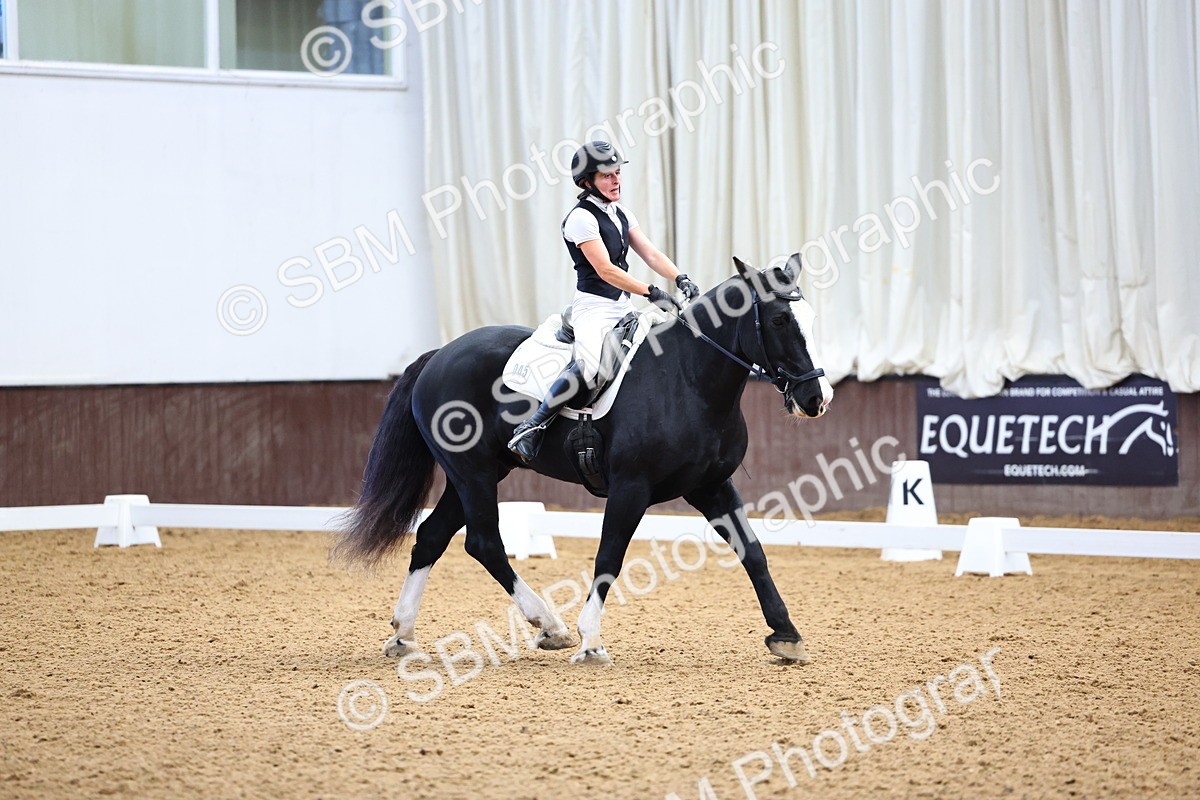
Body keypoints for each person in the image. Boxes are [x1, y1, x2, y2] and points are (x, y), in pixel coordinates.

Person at [507, 140, 700, 464]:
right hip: (594, 308)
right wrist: (652, 292)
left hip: (622, 305)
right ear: (587, 182)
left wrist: (681, 278)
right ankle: (533, 426)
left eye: (618, 173)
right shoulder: (581, 219)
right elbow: (606, 270)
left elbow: (651, 254)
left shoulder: (621, 213)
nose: (616, 180)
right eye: (607, 175)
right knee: (590, 367)